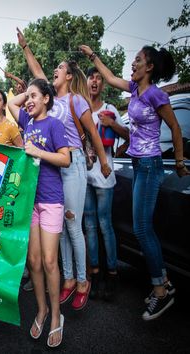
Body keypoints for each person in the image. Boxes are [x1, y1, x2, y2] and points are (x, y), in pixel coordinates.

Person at [80, 44, 189, 320]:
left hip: (152, 165)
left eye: (138, 60)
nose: (133, 63)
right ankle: (162, 282)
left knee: (141, 228)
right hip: (140, 165)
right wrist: (93, 56)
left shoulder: (155, 94)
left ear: (149, 67)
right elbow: (112, 77)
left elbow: (175, 127)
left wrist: (178, 160)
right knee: (143, 227)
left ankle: (161, 292)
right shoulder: (136, 90)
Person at [17, 28, 111, 311]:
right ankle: (68, 278)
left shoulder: (75, 100)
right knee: (60, 227)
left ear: (69, 76)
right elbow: (36, 73)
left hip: (73, 163)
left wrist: (105, 161)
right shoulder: (50, 101)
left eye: (59, 68)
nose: (54, 71)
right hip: (54, 165)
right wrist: (25, 48)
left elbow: (93, 132)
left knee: (72, 223)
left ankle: (83, 281)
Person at [8, 78, 70, 347]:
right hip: (29, 202)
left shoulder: (54, 124)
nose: (29, 101)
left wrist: (38, 152)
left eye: (35, 96)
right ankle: (42, 310)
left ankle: (57, 316)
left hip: (51, 201)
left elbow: (65, 159)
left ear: (47, 98)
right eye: (28, 97)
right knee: (33, 262)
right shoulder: (27, 122)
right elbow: (11, 103)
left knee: (48, 261)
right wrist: (28, 92)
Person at [84, 67, 129, 300]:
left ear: (102, 85)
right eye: (91, 77)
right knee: (89, 226)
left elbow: (128, 136)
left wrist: (111, 125)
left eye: (99, 79)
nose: (94, 81)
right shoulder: (81, 108)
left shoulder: (110, 110)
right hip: (85, 177)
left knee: (105, 225)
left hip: (104, 177)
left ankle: (112, 274)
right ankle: (96, 273)